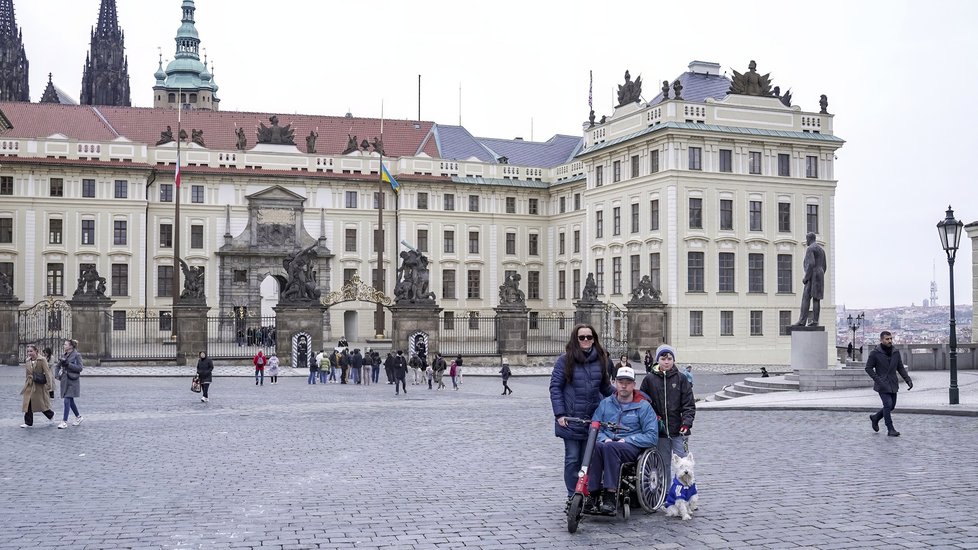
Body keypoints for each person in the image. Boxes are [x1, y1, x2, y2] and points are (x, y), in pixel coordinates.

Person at [549, 324, 615, 503]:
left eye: (589, 337)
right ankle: (573, 496)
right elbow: (555, 388)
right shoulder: (565, 360)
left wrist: (626, 395)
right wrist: (560, 414)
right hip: (570, 419)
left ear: (594, 339)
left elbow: (605, 387)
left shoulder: (600, 360)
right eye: (582, 337)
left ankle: (587, 492)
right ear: (575, 339)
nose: (586, 340)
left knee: (590, 461)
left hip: (592, 420)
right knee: (572, 459)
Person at [586, 366, 658, 514]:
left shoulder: (643, 407)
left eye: (628, 382)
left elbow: (651, 436)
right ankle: (592, 495)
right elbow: (594, 427)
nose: (624, 385)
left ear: (634, 385)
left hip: (631, 446)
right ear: (615, 382)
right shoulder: (605, 404)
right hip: (608, 443)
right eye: (620, 382)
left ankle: (610, 496)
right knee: (597, 446)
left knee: (610, 447)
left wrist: (628, 440)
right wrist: (605, 439)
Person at [639, 344, 695, 484]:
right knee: (663, 464)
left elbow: (689, 404)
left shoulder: (681, 379)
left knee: (683, 464)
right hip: (660, 431)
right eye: (663, 358)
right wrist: (653, 419)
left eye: (670, 358)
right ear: (658, 360)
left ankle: (685, 493)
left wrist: (686, 423)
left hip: (679, 430)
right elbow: (643, 403)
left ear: (673, 360)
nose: (667, 361)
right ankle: (665, 495)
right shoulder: (649, 380)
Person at [865, 331, 913, 437]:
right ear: (881, 340)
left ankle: (876, 417)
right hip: (882, 384)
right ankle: (890, 429)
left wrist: (907, 379)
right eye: (887, 339)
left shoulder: (895, 352)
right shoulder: (875, 353)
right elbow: (868, 368)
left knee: (891, 406)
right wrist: (878, 380)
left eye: (891, 338)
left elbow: (900, 367)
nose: (890, 341)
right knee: (887, 405)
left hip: (893, 383)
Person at [794, 232, 826, 326]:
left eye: (806, 239)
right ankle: (815, 321)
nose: (806, 241)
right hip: (820, 274)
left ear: (809, 238)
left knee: (806, 297)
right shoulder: (821, 250)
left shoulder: (810, 248)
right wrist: (820, 274)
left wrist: (806, 277)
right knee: (816, 299)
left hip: (813, 275)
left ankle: (802, 321)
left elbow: (811, 264)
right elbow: (825, 266)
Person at [20, 344, 56, 428]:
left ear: (36, 351)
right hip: (30, 384)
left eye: (31, 351)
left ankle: (50, 414)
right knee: (28, 403)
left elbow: (47, 373)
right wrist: (26, 383)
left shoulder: (42, 360)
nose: (29, 353)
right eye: (28, 351)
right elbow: (27, 374)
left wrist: (49, 385)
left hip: (39, 385)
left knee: (41, 404)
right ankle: (28, 422)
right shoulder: (27, 360)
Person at [55, 339, 84, 429]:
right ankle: (78, 417)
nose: (64, 346)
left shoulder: (77, 355)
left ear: (71, 346)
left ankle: (64, 421)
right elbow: (57, 366)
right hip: (65, 380)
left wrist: (68, 365)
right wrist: (57, 375)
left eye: (65, 344)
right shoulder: (64, 355)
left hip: (72, 380)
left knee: (67, 399)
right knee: (70, 400)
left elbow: (80, 368)